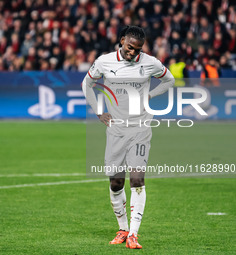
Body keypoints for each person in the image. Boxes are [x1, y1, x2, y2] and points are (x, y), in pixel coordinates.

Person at [82, 26, 174, 249]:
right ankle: (122, 228)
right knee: (115, 183)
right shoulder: (104, 62)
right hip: (116, 130)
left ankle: (133, 233)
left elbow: (169, 80)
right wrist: (97, 111)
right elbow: (87, 84)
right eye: (130, 47)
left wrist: (149, 95)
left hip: (140, 129)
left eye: (138, 49)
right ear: (122, 40)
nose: (133, 53)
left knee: (137, 180)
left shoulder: (149, 62)